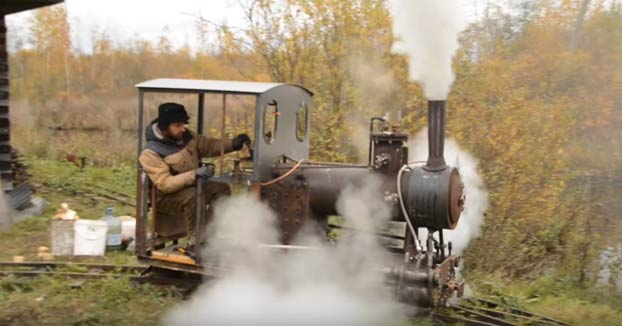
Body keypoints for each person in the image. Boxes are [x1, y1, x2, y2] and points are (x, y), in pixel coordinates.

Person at [139, 102, 250, 247]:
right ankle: (196, 242)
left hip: (190, 186)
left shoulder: (187, 136)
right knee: (193, 196)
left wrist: (234, 144)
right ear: (165, 127)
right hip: (164, 197)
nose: (183, 129)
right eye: (177, 125)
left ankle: (209, 233)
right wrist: (194, 174)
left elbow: (209, 145)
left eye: (183, 124)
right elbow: (164, 184)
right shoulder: (150, 152)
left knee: (222, 189)